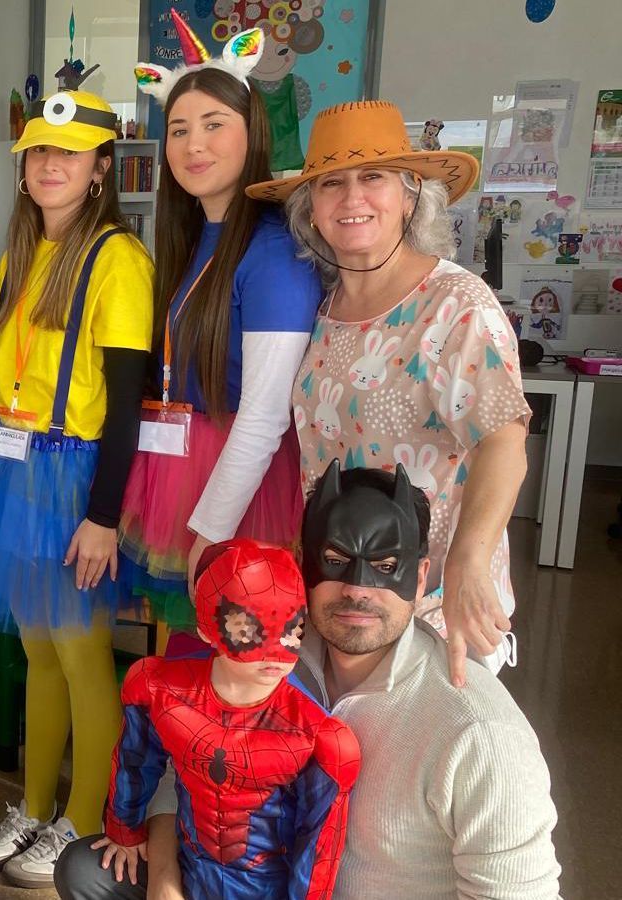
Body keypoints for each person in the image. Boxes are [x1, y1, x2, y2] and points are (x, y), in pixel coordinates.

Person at [55, 463, 562, 899]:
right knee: (86, 868)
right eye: (337, 562)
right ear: (303, 563)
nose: (359, 590)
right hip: (226, 876)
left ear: (422, 575)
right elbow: (180, 759)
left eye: (386, 567)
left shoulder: (479, 732)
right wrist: (166, 881)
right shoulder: (270, 649)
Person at [0, 88, 154, 887]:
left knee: (80, 650)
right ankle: (34, 805)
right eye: (38, 151)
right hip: (12, 464)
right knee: (37, 647)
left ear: (103, 168)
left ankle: (86, 822)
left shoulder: (120, 262)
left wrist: (103, 517)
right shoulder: (23, 253)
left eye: (69, 152)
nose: (50, 164)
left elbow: (127, 405)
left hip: (74, 477)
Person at [249, 99, 529, 683]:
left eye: (372, 177)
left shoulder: (456, 304)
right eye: (331, 183)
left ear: (410, 195)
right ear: (311, 210)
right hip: (340, 595)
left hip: (429, 602)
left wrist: (471, 563)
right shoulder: (324, 309)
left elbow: (504, 441)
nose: (352, 199)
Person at [119, 22, 324, 632]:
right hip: (182, 466)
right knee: (189, 660)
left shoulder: (272, 250)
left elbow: (264, 414)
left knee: (234, 668)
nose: (192, 145)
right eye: (178, 129)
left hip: (241, 489)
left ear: (251, 132)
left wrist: (209, 532)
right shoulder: (191, 237)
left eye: (214, 125)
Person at [94, 539, 360, 899]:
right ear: (207, 629)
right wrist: (125, 832)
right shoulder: (160, 688)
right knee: (85, 868)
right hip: (188, 869)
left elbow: (317, 849)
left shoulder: (318, 738)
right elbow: (136, 761)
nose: (275, 654)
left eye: (292, 631)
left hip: (265, 888)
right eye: (247, 631)